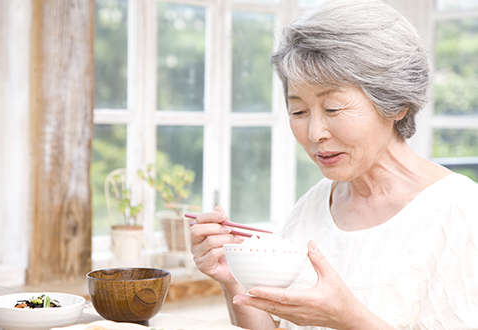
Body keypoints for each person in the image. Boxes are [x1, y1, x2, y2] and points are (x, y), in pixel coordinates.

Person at [190, 0, 478, 329]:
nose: (314, 133)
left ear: (396, 104)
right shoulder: (313, 207)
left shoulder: (461, 213)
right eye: (298, 111)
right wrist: (232, 279)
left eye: (333, 109)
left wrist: (349, 320)